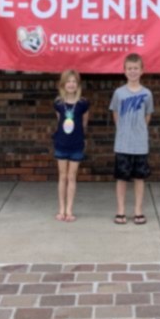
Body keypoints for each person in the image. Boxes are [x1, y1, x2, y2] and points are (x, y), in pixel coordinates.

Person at [110, 53, 154, 226]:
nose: (133, 71)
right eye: (130, 68)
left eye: (136, 68)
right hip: (122, 143)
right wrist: (124, 130)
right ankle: (120, 210)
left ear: (142, 71)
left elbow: (148, 115)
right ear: (124, 71)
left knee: (139, 178)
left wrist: (139, 130)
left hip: (140, 144)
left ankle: (138, 210)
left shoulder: (147, 94)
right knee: (121, 178)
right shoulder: (119, 93)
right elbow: (115, 113)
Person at [53, 69, 89, 222]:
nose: (71, 84)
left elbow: (84, 123)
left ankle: (69, 210)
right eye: (68, 81)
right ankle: (61, 209)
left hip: (76, 144)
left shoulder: (83, 103)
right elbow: (59, 121)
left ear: (78, 84)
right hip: (61, 143)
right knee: (62, 176)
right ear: (63, 84)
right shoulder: (58, 103)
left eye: (74, 81)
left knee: (72, 176)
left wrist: (81, 138)